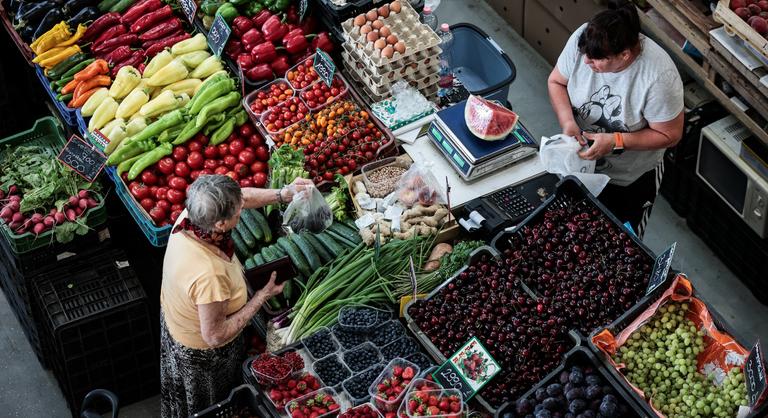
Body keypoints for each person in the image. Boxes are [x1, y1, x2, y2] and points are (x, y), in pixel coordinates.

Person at [160, 174, 313, 417]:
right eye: (237, 213)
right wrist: (261, 296)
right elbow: (214, 335)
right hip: (203, 356)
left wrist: (283, 194)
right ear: (220, 224)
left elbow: (242, 197)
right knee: (214, 405)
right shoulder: (208, 273)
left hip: (177, 318)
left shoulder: (192, 216)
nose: (242, 209)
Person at [547, 0, 684, 237]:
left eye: (597, 59)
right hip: (577, 166)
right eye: (585, 56)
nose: (587, 63)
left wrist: (616, 141)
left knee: (622, 241)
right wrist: (568, 122)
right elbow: (557, 81)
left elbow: (670, 135)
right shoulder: (585, 38)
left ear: (624, 55)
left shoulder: (659, 78)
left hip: (629, 179)